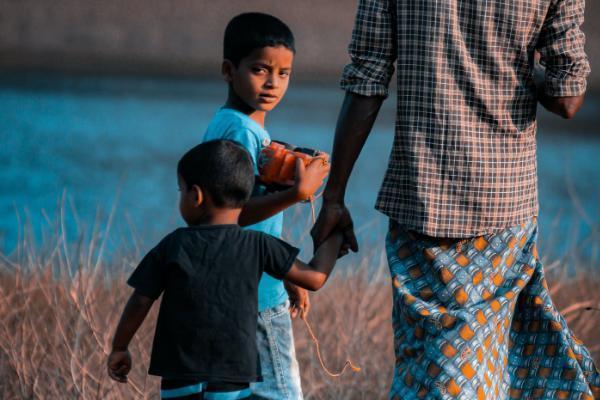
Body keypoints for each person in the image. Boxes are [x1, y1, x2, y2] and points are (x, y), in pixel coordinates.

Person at [311, 0, 599, 398]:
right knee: (490, 360)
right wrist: (509, 62)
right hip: (503, 206)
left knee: (428, 362)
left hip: (421, 199)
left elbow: (367, 79)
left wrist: (334, 197)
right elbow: (567, 98)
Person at [106, 140, 342, 400]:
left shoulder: (174, 244)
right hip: (233, 378)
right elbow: (315, 278)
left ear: (195, 196)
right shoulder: (258, 244)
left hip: (179, 377)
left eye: (180, 190)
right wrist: (336, 235)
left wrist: (120, 347)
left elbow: (141, 300)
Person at [202, 13, 329, 399]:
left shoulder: (234, 125)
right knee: (280, 394)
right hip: (256, 295)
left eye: (284, 73)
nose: (273, 83)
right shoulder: (242, 132)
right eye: (260, 69)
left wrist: (287, 276)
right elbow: (231, 214)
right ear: (229, 70)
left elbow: (248, 216)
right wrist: (296, 193)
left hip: (237, 286)